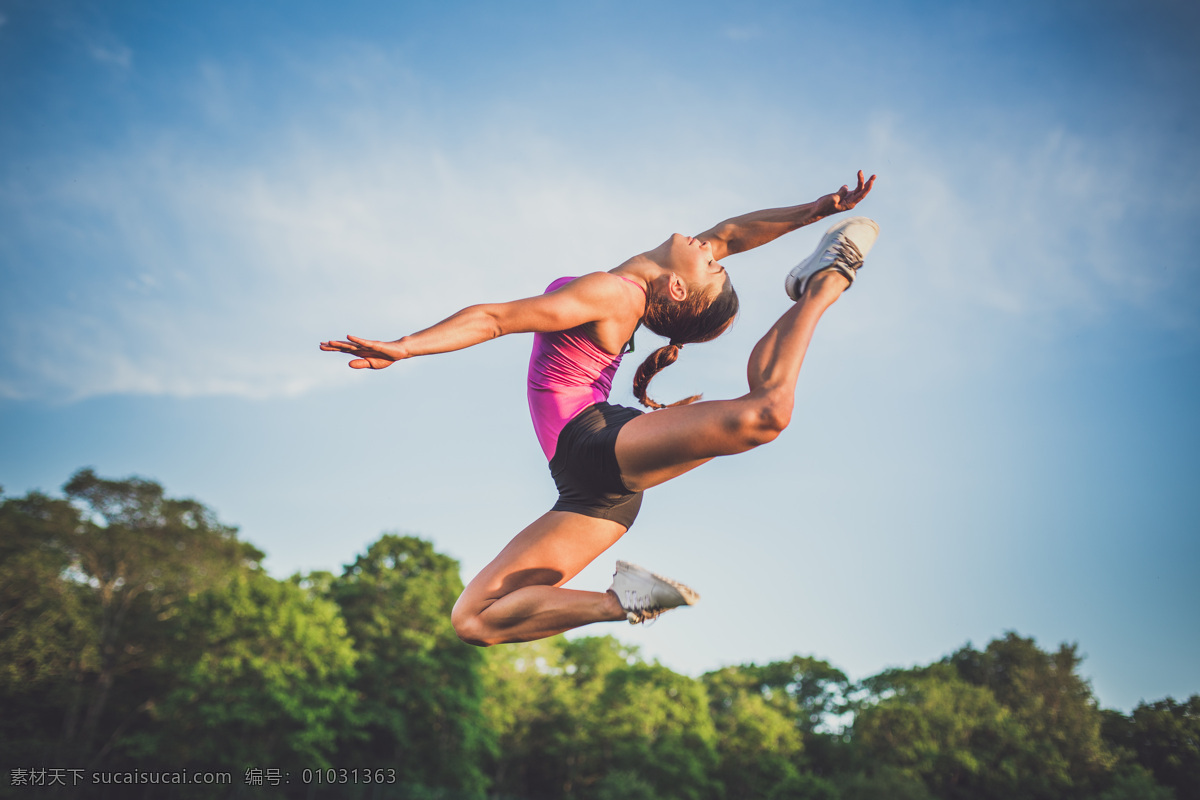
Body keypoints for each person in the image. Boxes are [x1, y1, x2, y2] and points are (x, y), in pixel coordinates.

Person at [320, 171, 878, 646]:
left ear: (678, 290)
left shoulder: (616, 294)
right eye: (715, 258)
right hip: (591, 484)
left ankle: (826, 279)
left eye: (712, 263)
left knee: (768, 414)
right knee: (475, 621)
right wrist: (815, 208)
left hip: (591, 442)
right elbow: (734, 232)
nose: (714, 248)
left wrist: (405, 345)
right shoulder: (641, 285)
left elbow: (495, 319)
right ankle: (625, 602)